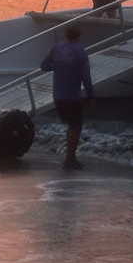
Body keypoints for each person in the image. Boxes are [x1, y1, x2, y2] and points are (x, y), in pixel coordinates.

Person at [41, 24, 94, 171]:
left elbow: (44, 66)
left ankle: (71, 158)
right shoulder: (80, 52)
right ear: (79, 35)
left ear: (66, 35)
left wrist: (58, 67)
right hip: (72, 95)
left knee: (71, 125)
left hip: (57, 94)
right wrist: (91, 97)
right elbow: (86, 79)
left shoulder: (57, 48)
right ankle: (69, 159)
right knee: (76, 126)